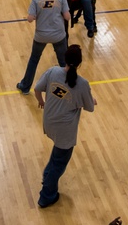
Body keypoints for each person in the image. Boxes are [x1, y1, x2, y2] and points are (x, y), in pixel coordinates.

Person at [34, 44, 96, 208]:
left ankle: (47, 175)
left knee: (57, 155)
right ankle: (46, 196)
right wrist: (92, 100)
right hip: (65, 130)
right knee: (60, 162)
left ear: (65, 59)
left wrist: (41, 101)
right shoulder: (82, 84)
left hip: (49, 122)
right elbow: (90, 107)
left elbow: (37, 89)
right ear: (80, 63)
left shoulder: (53, 71)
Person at [15, 0, 70, 94]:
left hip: (41, 35)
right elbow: (67, 17)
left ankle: (25, 87)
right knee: (63, 62)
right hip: (58, 35)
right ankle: (69, 86)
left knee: (34, 60)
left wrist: (34, 16)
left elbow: (30, 19)